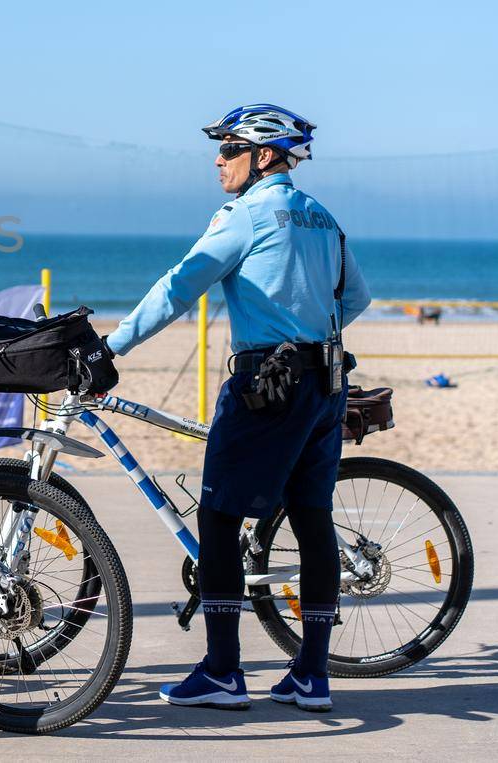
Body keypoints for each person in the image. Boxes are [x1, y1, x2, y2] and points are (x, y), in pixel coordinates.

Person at [104, 104, 370, 715]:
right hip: (325, 380)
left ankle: (224, 669)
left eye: (229, 149)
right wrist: (304, 334)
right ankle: (311, 673)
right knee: (312, 518)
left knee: (220, 517)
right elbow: (356, 296)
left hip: (265, 384)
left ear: (265, 156)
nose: (218, 159)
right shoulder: (322, 218)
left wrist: (111, 346)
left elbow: (179, 285)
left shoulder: (246, 216)